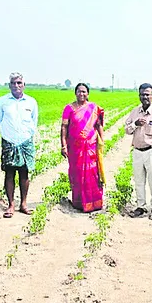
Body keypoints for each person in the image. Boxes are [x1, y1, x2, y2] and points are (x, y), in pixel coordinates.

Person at [0, 72, 39, 218]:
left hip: (26, 142)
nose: (16, 86)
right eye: (13, 83)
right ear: (9, 85)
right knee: (9, 173)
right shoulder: (2, 101)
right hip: (9, 141)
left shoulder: (31, 102)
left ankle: (24, 204)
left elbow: (34, 121)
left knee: (24, 173)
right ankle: (11, 205)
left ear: (24, 85)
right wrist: (9, 136)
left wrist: (26, 135)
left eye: (19, 83)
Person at [124, 83, 152, 220]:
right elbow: (126, 130)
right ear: (139, 96)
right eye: (142, 94)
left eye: (147, 94)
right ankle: (141, 206)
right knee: (138, 181)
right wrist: (135, 124)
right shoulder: (134, 112)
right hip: (137, 151)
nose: (145, 97)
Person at [60, 83, 105, 212]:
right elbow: (64, 128)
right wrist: (63, 145)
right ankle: (79, 203)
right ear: (75, 93)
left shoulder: (94, 108)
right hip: (75, 148)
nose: (81, 94)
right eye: (79, 91)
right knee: (77, 173)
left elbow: (99, 125)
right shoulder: (69, 108)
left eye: (84, 92)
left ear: (88, 94)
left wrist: (102, 141)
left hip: (91, 147)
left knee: (92, 174)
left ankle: (95, 203)